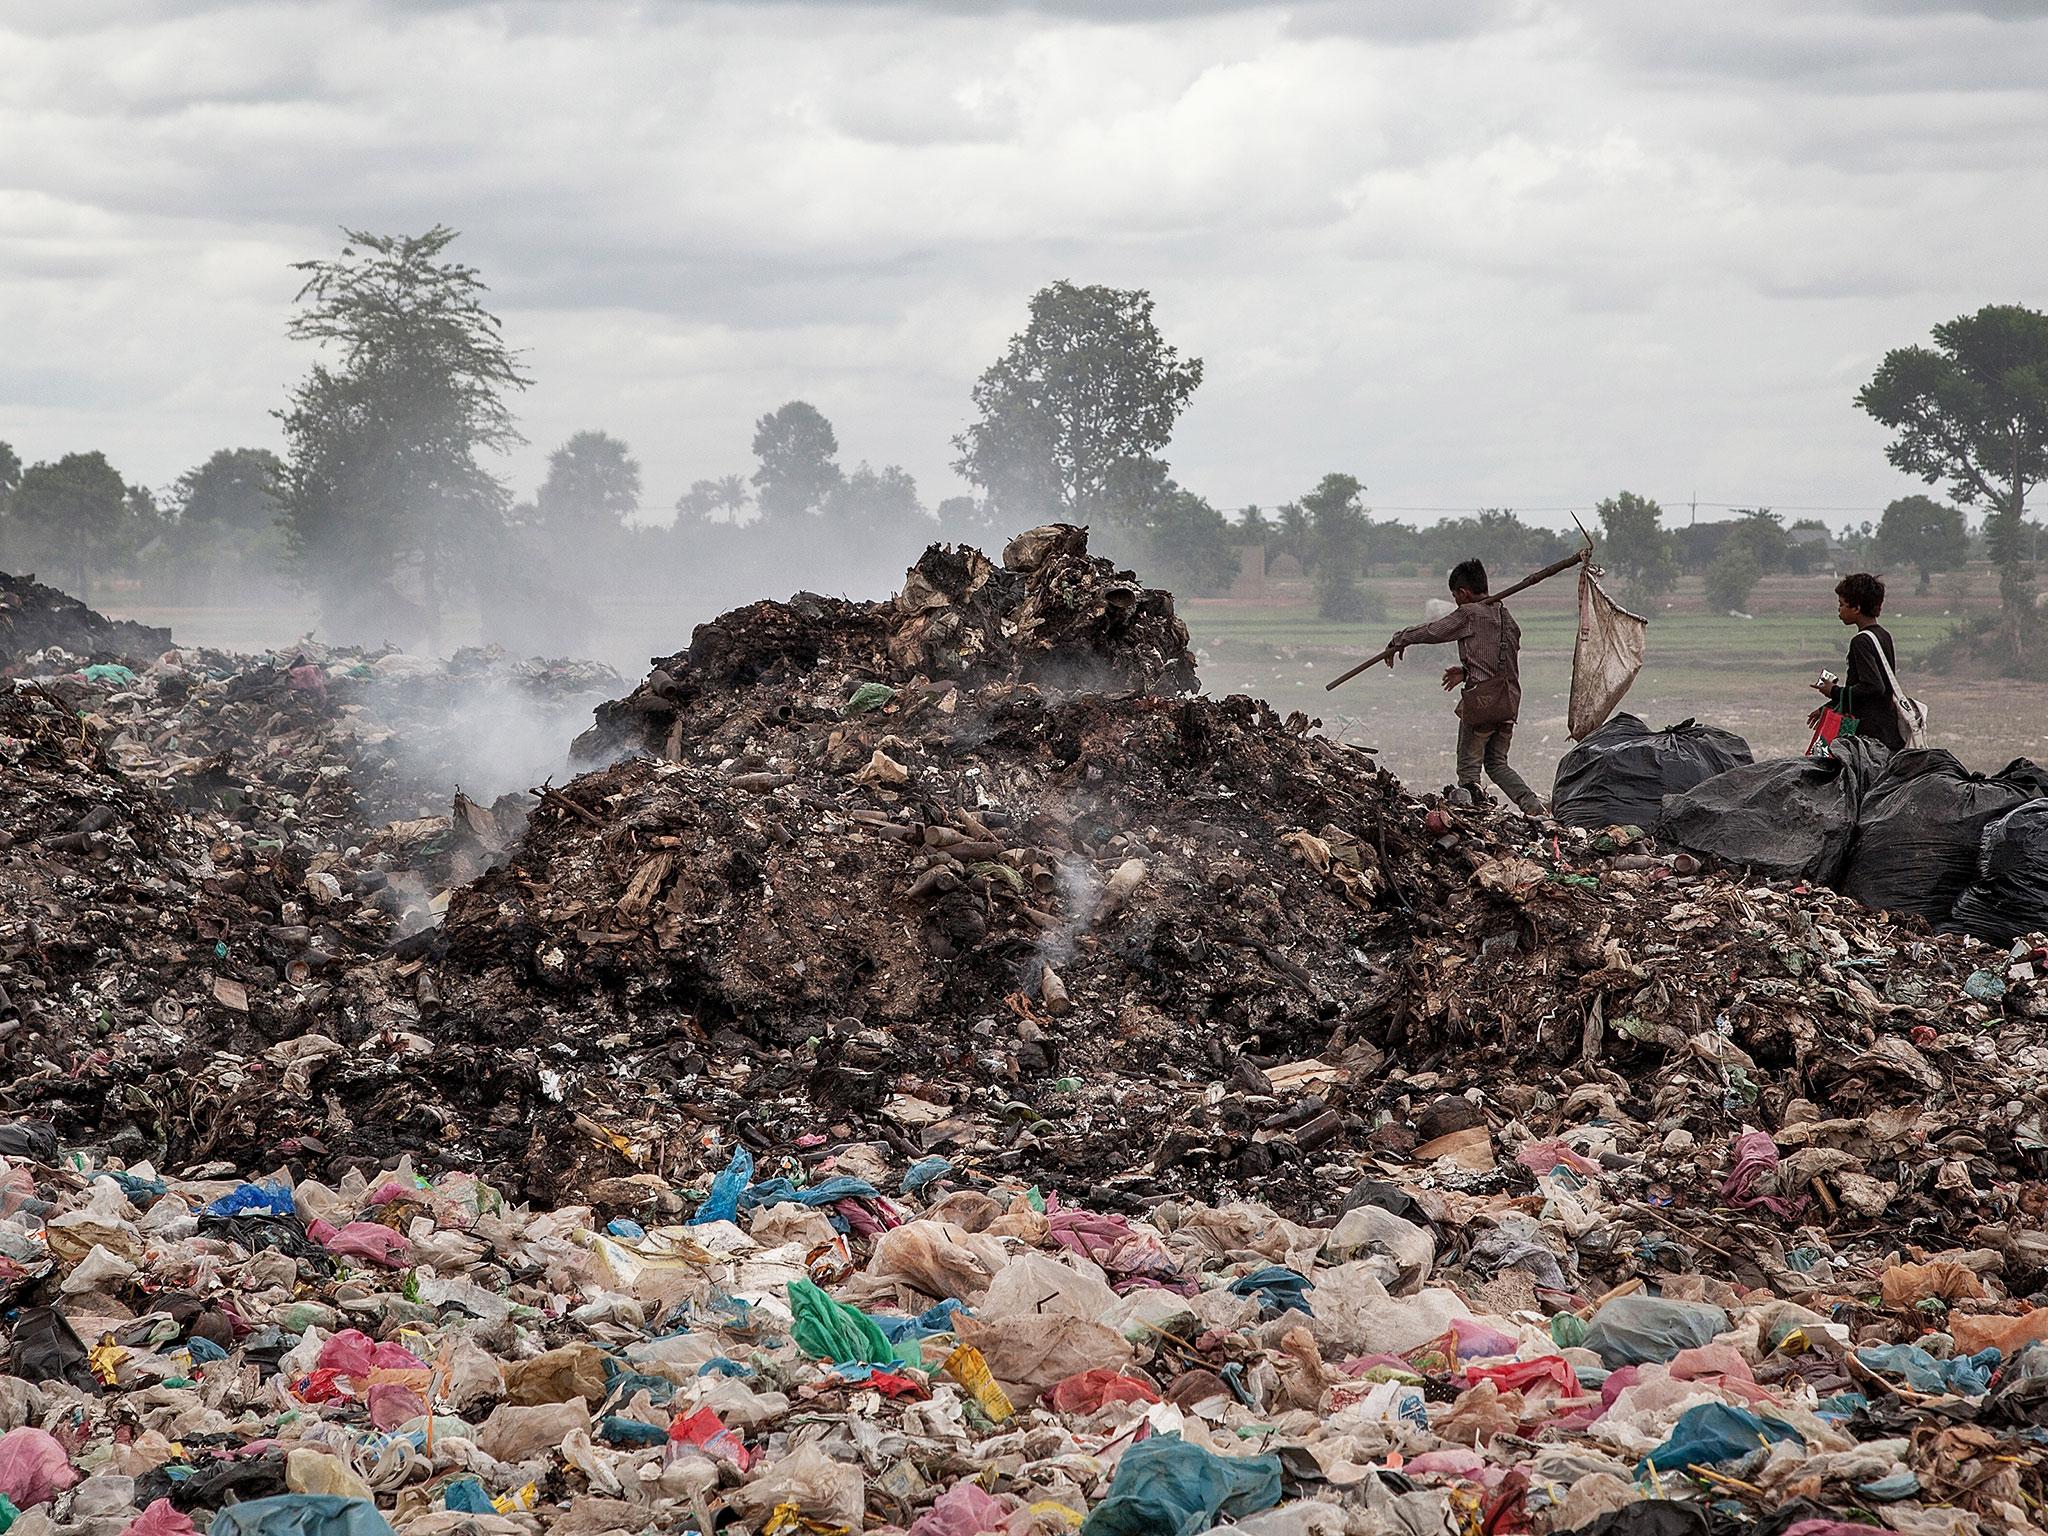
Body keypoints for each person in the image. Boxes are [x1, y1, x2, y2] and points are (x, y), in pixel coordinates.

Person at [1386, 558, 1547, 816]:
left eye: (1456, 596)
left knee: (1469, 771)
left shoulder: (1470, 613)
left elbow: (1435, 631)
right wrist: (1466, 671)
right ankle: (1533, 806)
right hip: (1508, 702)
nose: (1457, 602)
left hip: (1482, 705)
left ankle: (1477, 820)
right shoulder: (1506, 617)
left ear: (1463, 593)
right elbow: (1502, 662)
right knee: (1497, 764)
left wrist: (1400, 638)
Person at [1808, 571, 1903, 750]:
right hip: (1887, 728)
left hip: (1868, 733)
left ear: (1856, 608)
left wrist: (1833, 691)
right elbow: (1872, 690)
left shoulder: (1860, 641)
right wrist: (1829, 707)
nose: (1839, 610)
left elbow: (1873, 687)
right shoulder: (1883, 635)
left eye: (1842, 604)